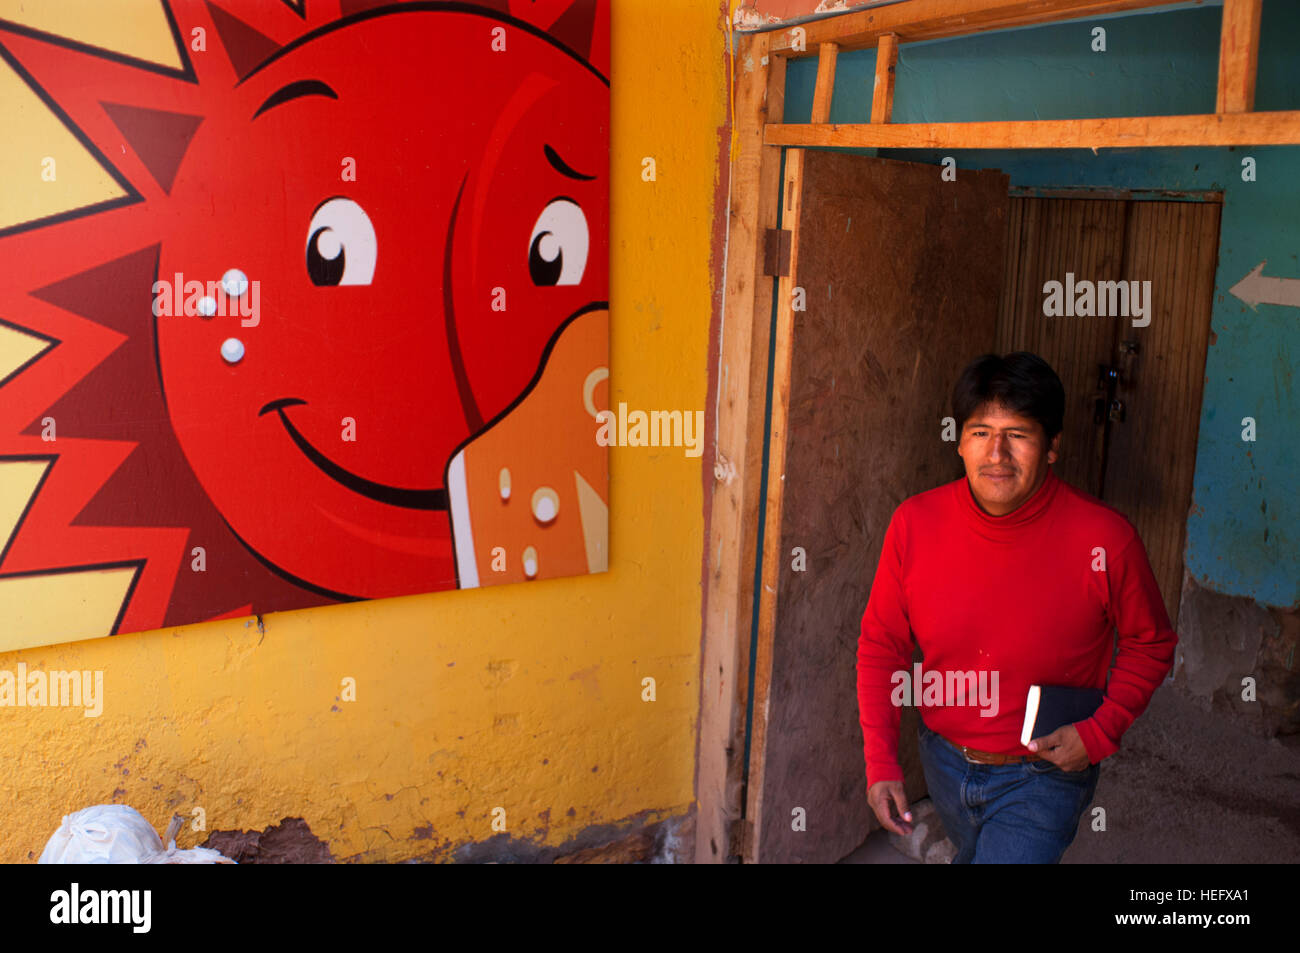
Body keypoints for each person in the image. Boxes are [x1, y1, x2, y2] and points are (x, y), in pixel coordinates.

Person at [857, 352, 1177, 863]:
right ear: (960, 441)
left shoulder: (1105, 540)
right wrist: (881, 763)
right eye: (981, 432)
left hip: (1044, 774)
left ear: (1052, 447)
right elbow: (882, 645)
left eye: (1019, 434)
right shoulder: (914, 524)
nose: (997, 454)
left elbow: (1151, 642)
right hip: (942, 757)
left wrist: (1099, 732)